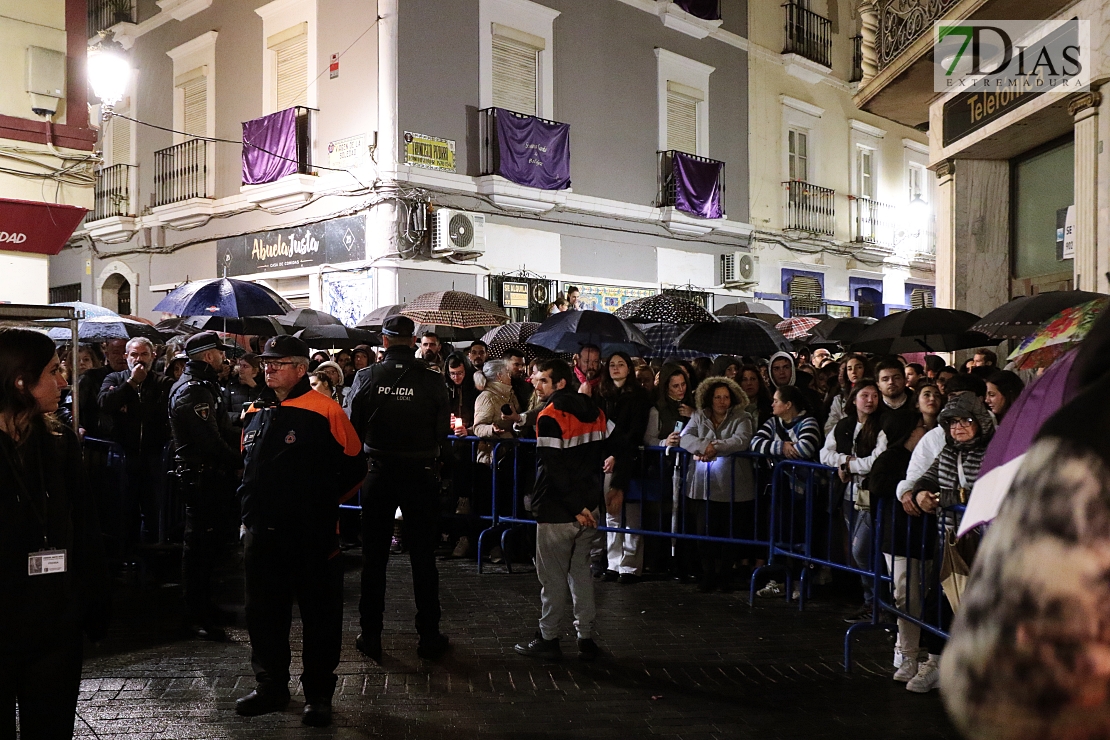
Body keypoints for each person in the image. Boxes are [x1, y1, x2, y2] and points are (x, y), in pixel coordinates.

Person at [234, 336, 366, 727]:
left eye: (278, 362)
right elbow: (247, 464)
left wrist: (319, 505)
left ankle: (318, 695)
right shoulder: (256, 410)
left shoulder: (325, 411)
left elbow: (356, 465)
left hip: (310, 535)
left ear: (299, 368)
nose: (269, 368)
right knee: (264, 615)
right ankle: (271, 685)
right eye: (266, 362)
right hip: (262, 534)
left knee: (319, 617)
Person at [0, 329, 110, 739]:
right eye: (54, 370)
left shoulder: (59, 444)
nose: (64, 381)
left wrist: (93, 603)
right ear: (20, 382)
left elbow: (84, 528)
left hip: (54, 623)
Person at [346, 315, 452, 665]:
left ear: (385, 341)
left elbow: (352, 430)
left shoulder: (366, 377)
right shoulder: (432, 380)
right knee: (424, 557)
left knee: (373, 558)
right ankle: (429, 635)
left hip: (378, 472)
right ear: (414, 340)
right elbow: (442, 433)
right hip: (420, 473)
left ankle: (371, 634)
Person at [513, 359, 621, 661]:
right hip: (590, 505)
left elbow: (553, 469)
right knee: (581, 575)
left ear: (561, 383)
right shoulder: (596, 412)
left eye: (544, 380)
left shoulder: (549, 417)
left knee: (553, 579)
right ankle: (585, 637)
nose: (537, 384)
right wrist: (588, 506)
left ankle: (548, 637)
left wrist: (575, 508)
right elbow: (616, 445)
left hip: (558, 510)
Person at [907, 393, 995, 695]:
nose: (958, 427)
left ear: (980, 422)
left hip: (983, 544)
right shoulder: (948, 451)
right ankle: (936, 661)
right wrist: (920, 493)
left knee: (980, 608)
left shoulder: (993, 452)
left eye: (965, 421)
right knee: (940, 602)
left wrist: (946, 499)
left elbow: (986, 492)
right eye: (952, 422)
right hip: (947, 540)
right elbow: (928, 477)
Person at [168, 331, 245, 641]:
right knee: (198, 548)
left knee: (209, 548)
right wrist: (237, 463)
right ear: (209, 356)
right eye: (219, 353)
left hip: (208, 475)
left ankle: (206, 607)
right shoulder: (193, 390)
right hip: (201, 476)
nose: (224, 359)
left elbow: (217, 423)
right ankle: (195, 614)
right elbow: (208, 439)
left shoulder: (201, 387)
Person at [868, 381, 942, 682]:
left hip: (926, 536)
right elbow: (878, 484)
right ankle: (907, 653)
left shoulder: (938, 453)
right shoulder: (893, 459)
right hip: (899, 535)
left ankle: (926, 652)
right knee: (905, 594)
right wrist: (905, 492)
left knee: (928, 595)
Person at [679, 377, 755, 592]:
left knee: (728, 533)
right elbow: (685, 438)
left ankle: (724, 575)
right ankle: (708, 573)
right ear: (709, 399)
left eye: (726, 397)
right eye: (717, 397)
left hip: (733, 485)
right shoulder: (698, 416)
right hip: (704, 485)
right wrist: (704, 447)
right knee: (703, 532)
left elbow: (741, 439)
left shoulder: (742, 417)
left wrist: (716, 447)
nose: (722, 401)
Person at [821, 379, 888, 621]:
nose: (870, 400)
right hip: (849, 495)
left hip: (870, 494)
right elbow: (824, 453)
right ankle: (872, 601)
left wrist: (850, 464)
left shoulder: (881, 426)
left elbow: (877, 460)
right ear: (854, 399)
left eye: (874, 396)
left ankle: (876, 601)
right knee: (858, 550)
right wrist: (841, 460)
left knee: (861, 550)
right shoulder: (844, 425)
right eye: (865, 395)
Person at [98, 337, 175, 547]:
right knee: (124, 509)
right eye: (134, 354)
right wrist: (131, 384)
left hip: (154, 456)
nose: (138, 359)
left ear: (153, 356)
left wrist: (127, 405)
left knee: (153, 509)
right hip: (124, 455)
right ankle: (126, 557)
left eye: (143, 354)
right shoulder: (114, 378)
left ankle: (152, 560)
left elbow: (159, 413)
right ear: (126, 357)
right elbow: (105, 403)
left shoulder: (163, 382)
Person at [750, 385, 823, 599]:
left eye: (776, 400)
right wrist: (780, 447)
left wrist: (779, 448)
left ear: (788, 405)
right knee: (780, 532)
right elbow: (755, 443)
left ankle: (803, 582)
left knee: (804, 536)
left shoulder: (808, 422)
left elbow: (806, 448)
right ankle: (778, 580)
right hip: (780, 491)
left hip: (805, 493)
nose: (772, 404)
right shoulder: (773, 422)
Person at [598, 352, 651, 584]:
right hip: (607, 459)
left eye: (621, 364)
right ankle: (613, 562)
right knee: (612, 514)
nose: (616, 368)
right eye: (612, 365)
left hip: (630, 459)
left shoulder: (639, 396)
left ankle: (629, 566)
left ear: (629, 369)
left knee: (632, 515)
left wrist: (617, 455)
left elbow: (635, 431)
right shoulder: (602, 395)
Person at [826, 354, 871, 434]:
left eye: (859, 367)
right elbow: (830, 426)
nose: (854, 372)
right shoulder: (840, 398)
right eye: (849, 369)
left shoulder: (875, 394)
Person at [224, 353, 263, 427]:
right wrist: (239, 417)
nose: (241, 369)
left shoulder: (264, 384)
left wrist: (254, 386)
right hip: (238, 428)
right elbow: (224, 412)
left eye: (245, 366)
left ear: (255, 370)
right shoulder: (232, 385)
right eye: (240, 365)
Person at [738, 364, 773, 428]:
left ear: (759, 382)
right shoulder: (734, 409)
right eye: (745, 380)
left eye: (753, 379)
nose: (749, 383)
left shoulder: (770, 407)